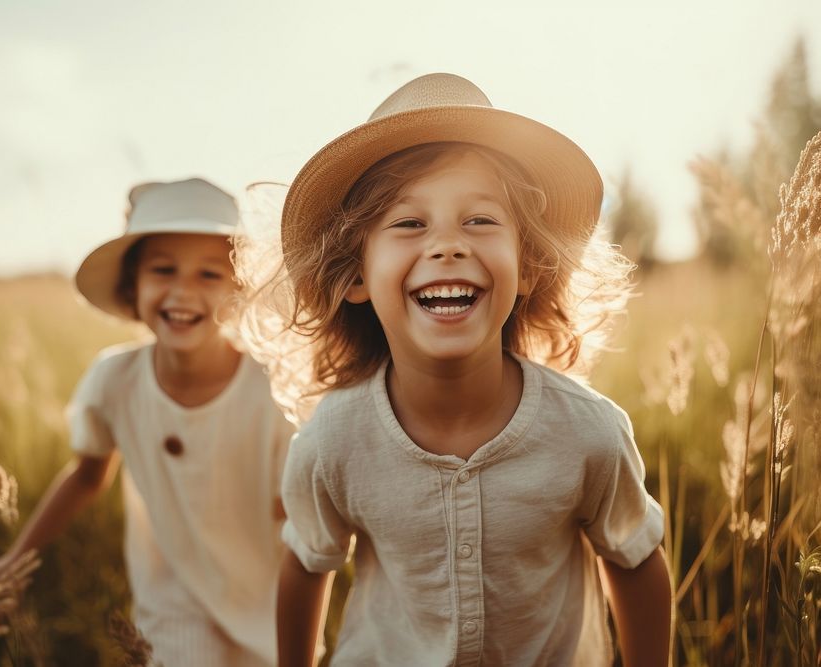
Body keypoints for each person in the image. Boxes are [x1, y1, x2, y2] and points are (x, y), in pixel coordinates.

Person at [250, 74, 672, 666]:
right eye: (408, 223)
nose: (447, 245)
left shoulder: (588, 434)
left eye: (480, 220)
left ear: (528, 267)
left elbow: (635, 558)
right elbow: (306, 560)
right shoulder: (332, 440)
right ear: (354, 277)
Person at [0, 178, 295, 666]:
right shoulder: (115, 380)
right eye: (163, 270)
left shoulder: (273, 390)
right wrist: (18, 559)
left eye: (209, 275)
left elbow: (295, 519)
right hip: (170, 602)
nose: (183, 292)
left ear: (239, 289)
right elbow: (88, 475)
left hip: (265, 602)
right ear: (132, 286)